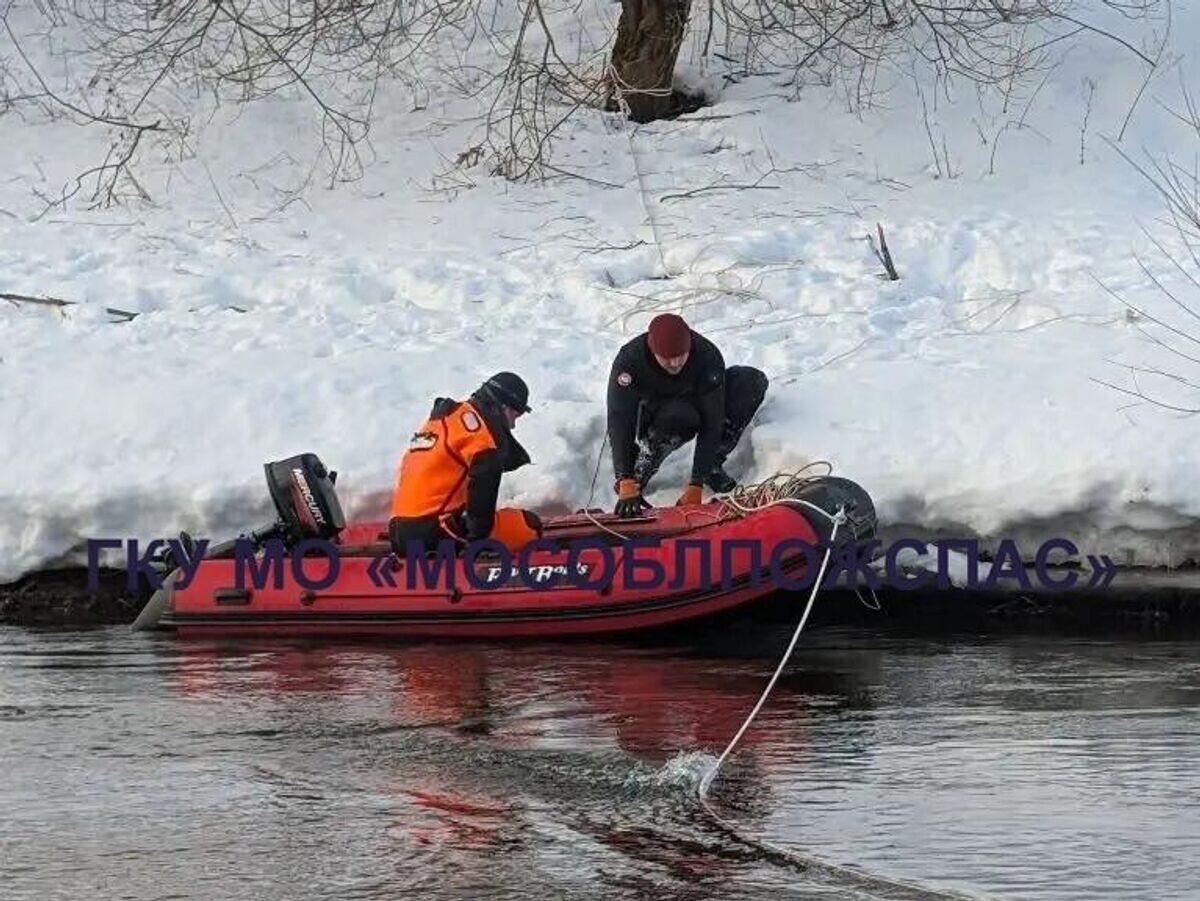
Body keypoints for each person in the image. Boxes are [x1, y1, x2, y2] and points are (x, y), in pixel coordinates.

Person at [607, 313, 768, 517]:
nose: (675, 363)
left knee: (750, 381)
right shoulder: (630, 361)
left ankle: (712, 466)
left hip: (695, 401)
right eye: (667, 359)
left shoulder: (707, 356)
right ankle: (647, 460)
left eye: (681, 356)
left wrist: (697, 481)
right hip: (656, 414)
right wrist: (625, 475)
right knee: (679, 415)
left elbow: (713, 421)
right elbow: (619, 418)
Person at [389, 372, 543, 554]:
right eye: (515, 416)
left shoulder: (443, 420)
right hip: (436, 533)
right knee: (530, 526)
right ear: (503, 407)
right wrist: (478, 542)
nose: (513, 426)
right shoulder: (478, 433)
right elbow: (482, 488)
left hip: (398, 531)